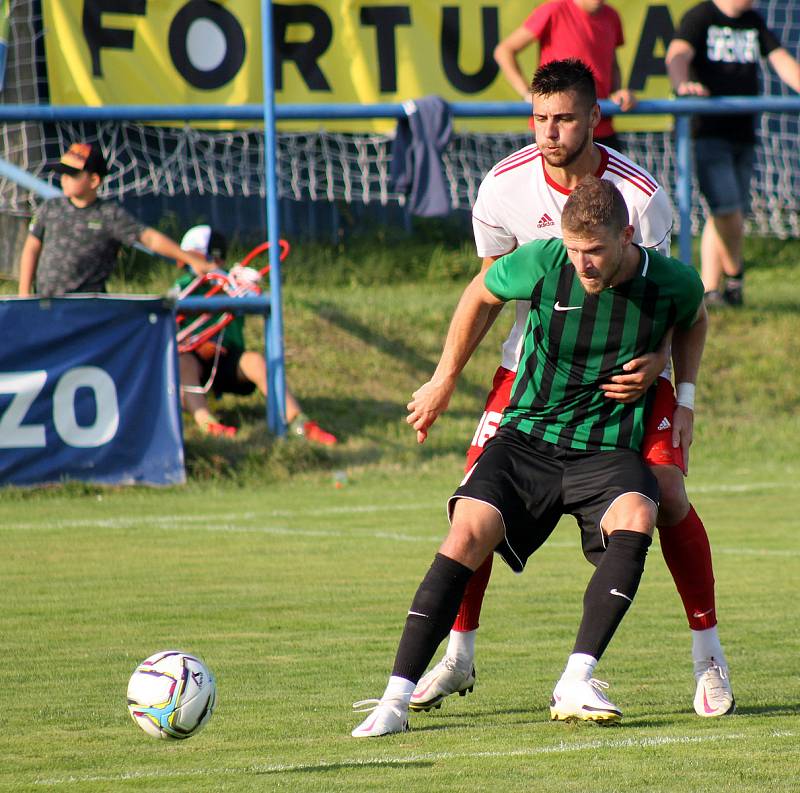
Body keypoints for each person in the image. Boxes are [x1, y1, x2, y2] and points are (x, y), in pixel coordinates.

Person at [411, 59, 734, 721]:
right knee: (475, 496)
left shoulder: (640, 198)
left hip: (630, 373)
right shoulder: (503, 188)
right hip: (536, 374)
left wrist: (665, 368)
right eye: (540, 118)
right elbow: (489, 292)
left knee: (667, 493)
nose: (550, 132)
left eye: (563, 118)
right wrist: (445, 378)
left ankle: (708, 655)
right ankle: (459, 652)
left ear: (592, 119)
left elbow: (665, 297)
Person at [352, 177, 708, 737]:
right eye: (574, 249)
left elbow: (693, 316)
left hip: (606, 449)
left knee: (641, 513)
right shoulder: (542, 260)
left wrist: (683, 396)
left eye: (595, 250)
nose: (583, 263)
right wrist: (444, 378)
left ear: (628, 235)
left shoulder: (671, 280)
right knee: (466, 528)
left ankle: (576, 678)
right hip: (527, 440)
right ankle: (394, 699)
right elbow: (481, 292)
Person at [665, 0, 800, 307]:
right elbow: (678, 55)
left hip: (743, 134)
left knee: (725, 212)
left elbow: (782, 60)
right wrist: (682, 84)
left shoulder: (753, 20)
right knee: (728, 210)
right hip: (709, 133)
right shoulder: (701, 15)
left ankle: (712, 290)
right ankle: (736, 274)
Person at [175, 225, 338, 444]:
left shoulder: (231, 284)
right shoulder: (184, 286)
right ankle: (207, 422)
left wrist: (244, 285)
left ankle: (299, 421)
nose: (191, 265)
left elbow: (252, 297)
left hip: (227, 361)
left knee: (255, 361)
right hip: (194, 361)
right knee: (182, 362)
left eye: (214, 260)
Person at [17, 142, 212, 296]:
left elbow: (149, 238)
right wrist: (24, 293)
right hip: (45, 302)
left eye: (73, 175)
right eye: (63, 174)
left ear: (94, 180)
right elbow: (31, 248)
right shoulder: (51, 208)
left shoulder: (109, 215)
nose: (64, 179)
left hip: (87, 309)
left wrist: (189, 258)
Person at [493, 0, 635, 149]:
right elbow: (504, 51)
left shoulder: (612, 16)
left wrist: (617, 92)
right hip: (556, 131)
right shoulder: (553, 10)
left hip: (600, 129)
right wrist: (527, 93)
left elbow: (612, 64)